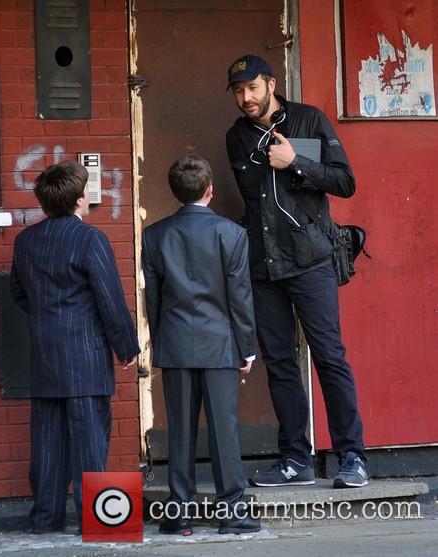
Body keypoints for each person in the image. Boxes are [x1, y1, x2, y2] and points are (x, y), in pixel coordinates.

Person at [225, 54, 367, 489]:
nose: (246, 98)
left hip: (310, 261)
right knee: (280, 362)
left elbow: (345, 182)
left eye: (252, 88)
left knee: (329, 356)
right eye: (238, 91)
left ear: (270, 83)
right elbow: (255, 204)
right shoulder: (236, 137)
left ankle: (352, 456)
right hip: (264, 264)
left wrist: (296, 163)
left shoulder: (309, 119)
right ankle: (294, 459)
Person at [11, 160, 140, 533]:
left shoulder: (25, 241)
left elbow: (19, 294)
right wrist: (126, 346)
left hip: (45, 354)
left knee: (47, 444)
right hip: (85, 357)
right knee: (89, 443)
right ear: (81, 199)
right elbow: (109, 298)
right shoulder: (91, 239)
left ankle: (46, 518)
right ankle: (102, 522)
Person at [142, 155, 260, 535]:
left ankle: (177, 512)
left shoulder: (154, 235)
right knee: (224, 429)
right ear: (210, 190)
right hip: (220, 343)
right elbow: (239, 297)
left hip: (175, 343)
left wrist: (161, 341)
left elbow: (154, 301)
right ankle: (233, 513)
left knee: (179, 430)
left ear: (174, 192)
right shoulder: (232, 234)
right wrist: (247, 347)